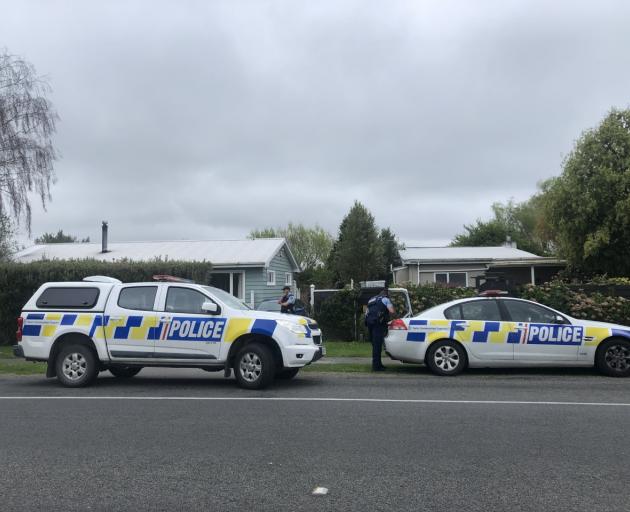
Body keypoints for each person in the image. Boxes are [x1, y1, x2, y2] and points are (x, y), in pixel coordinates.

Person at [365, 287, 395, 371]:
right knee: (377, 346)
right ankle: (376, 367)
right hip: (378, 324)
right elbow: (391, 311)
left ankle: (378, 364)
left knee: (375, 345)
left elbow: (366, 312)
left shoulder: (371, 299)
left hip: (370, 323)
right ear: (386, 294)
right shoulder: (385, 299)